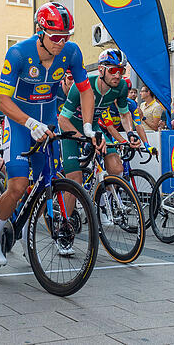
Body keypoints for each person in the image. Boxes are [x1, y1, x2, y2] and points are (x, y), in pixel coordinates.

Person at [0, 2, 93, 266]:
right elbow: (2, 101)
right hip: (20, 123)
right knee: (18, 185)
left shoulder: (71, 52)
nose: (61, 43)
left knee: (49, 181)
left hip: (49, 123)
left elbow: (86, 89)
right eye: (55, 37)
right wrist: (30, 122)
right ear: (39, 31)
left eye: (66, 37)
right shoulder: (19, 53)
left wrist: (87, 125)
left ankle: (27, 226)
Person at [59, 49, 141, 226]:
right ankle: (64, 227)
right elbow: (63, 119)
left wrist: (131, 133)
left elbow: (125, 113)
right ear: (101, 70)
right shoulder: (82, 85)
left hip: (94, 127)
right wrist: (82, 138)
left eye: (121, 70)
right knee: (75, 179)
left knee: (116, 166)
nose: (118, 75)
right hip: (72, 128)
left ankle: (103, 205)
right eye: (113, 70)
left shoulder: (121, 88)